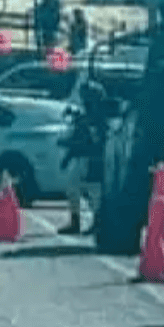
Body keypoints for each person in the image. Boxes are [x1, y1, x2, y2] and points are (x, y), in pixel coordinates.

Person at [59, 77, 112, 235]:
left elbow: (94, 141)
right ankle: (75, 221)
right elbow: (76, 135)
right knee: (72, 188)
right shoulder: (83, 116)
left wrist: (71, 147)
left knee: (94, 192)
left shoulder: (100, 120)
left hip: (92, 159)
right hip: (79, 159)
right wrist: (68, 154)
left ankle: (97, 222)